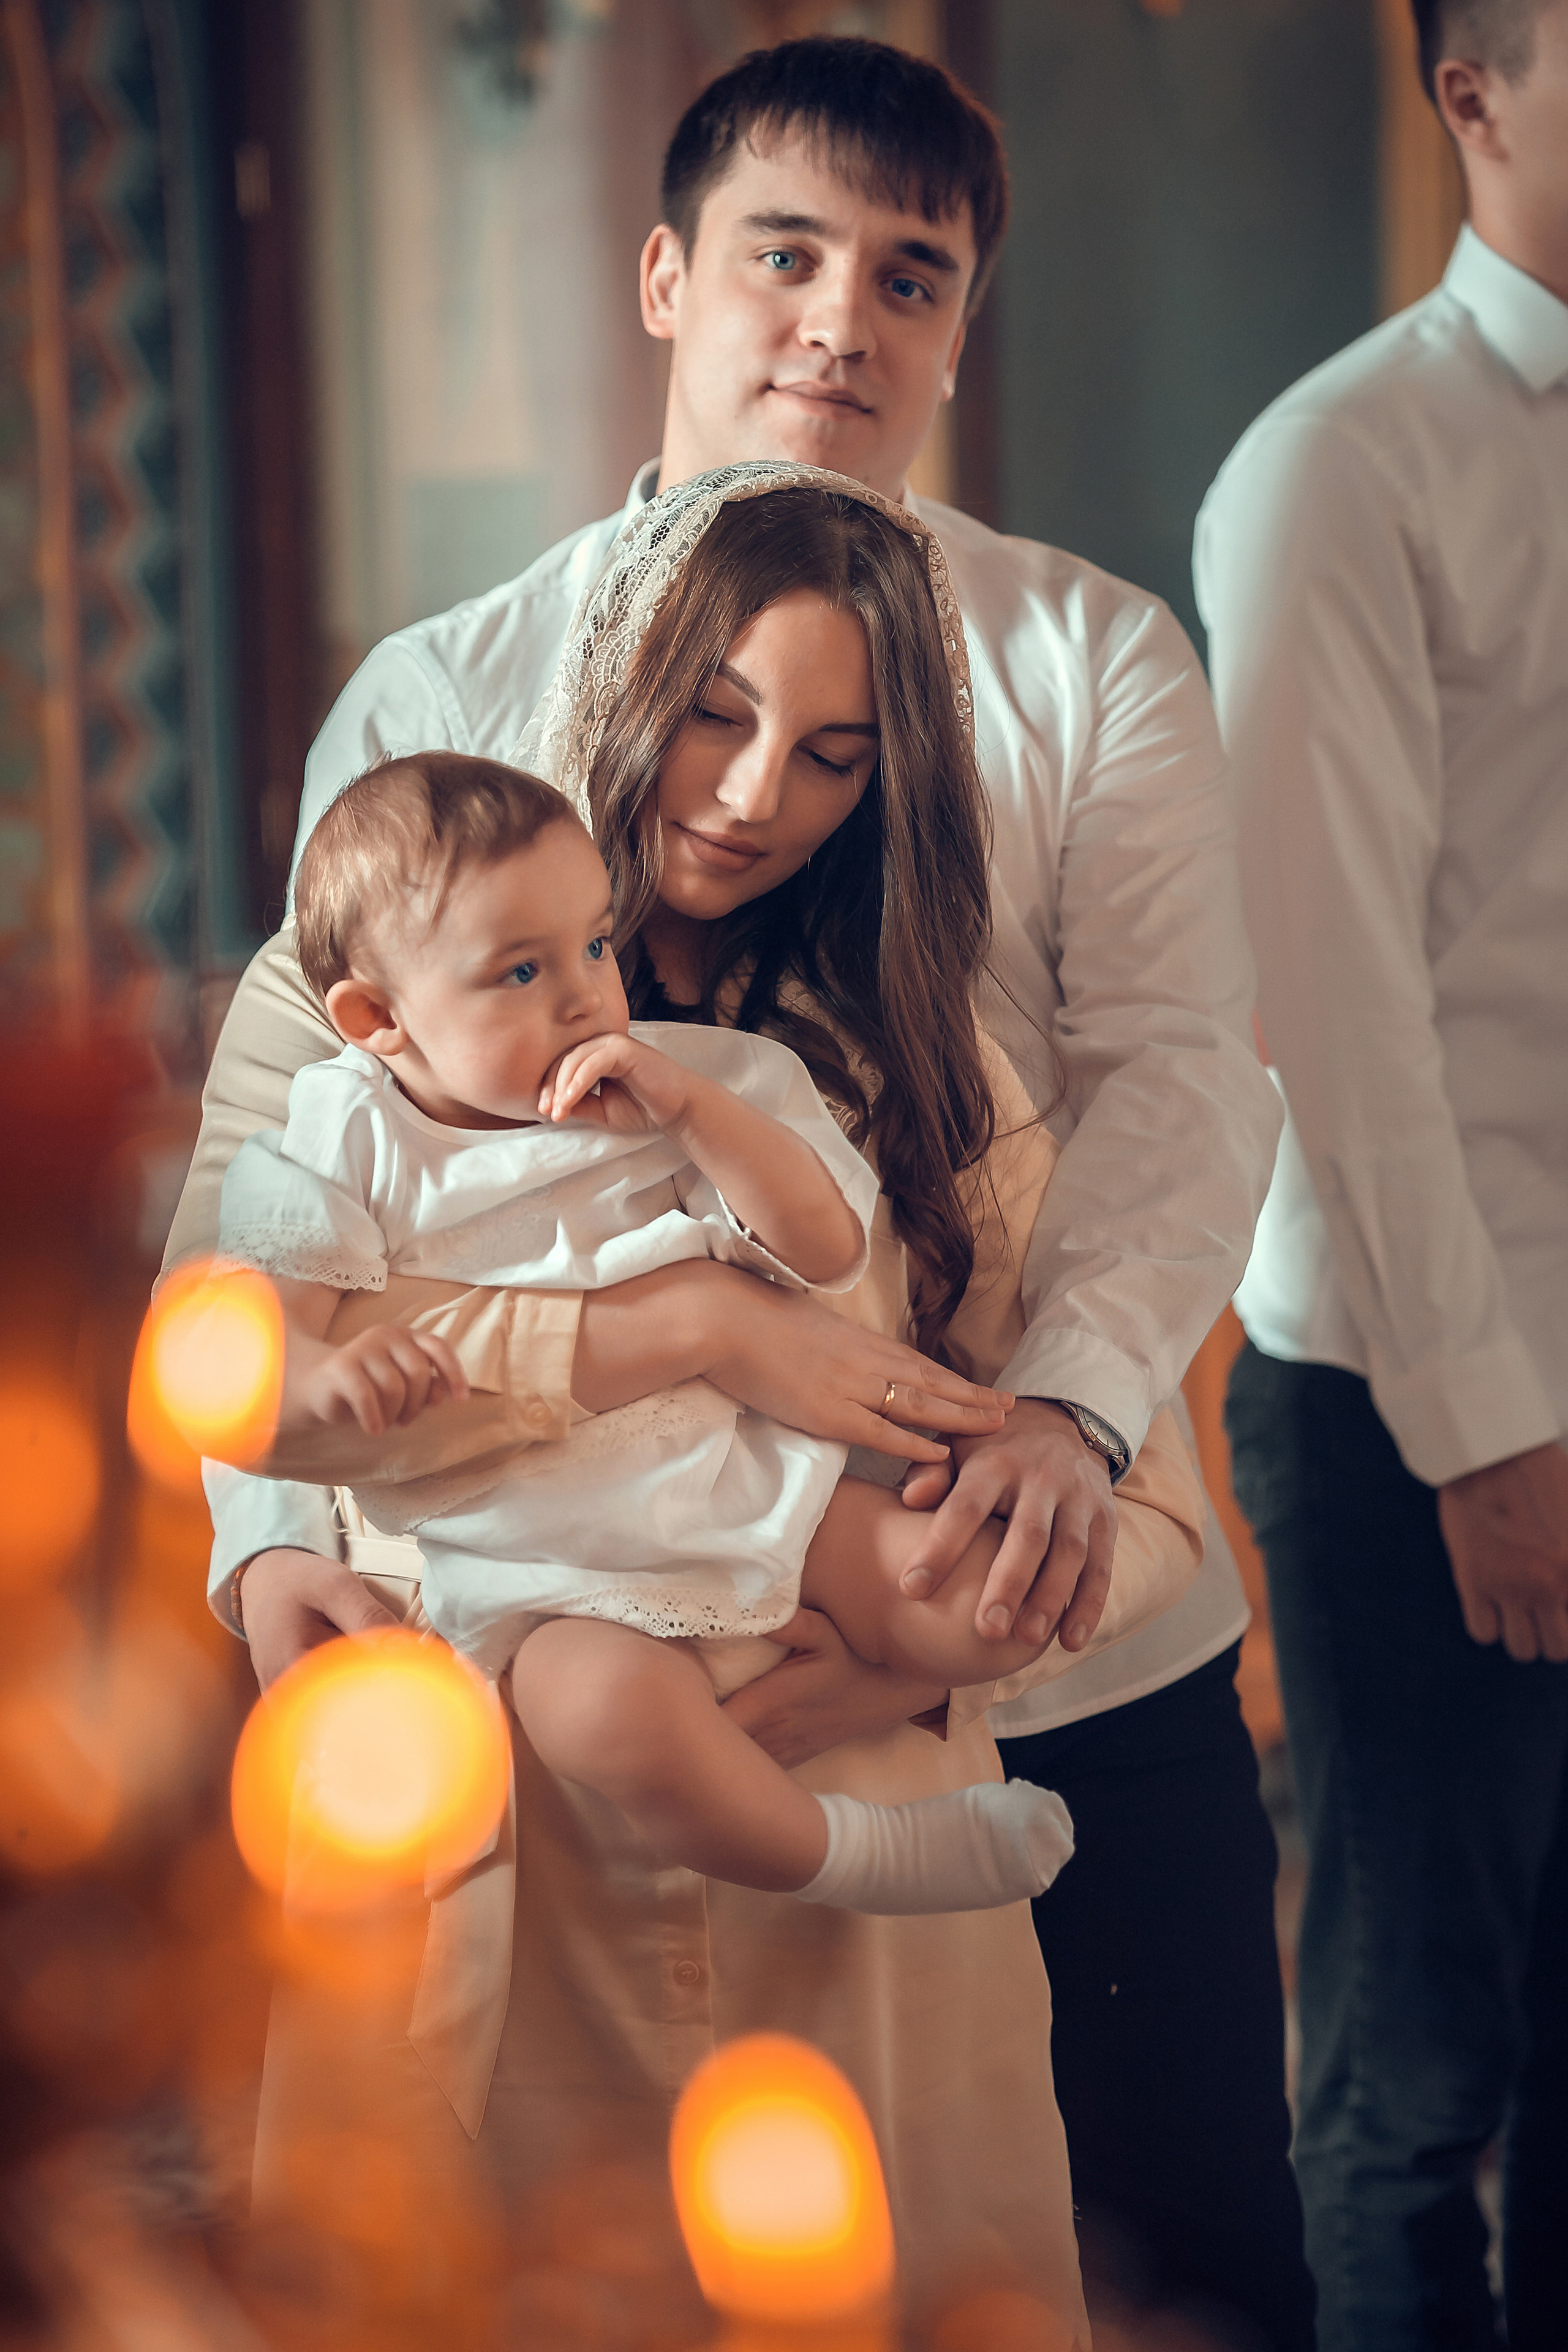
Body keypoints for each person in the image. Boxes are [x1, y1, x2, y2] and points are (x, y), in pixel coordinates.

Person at [171, 36, 1300, 2343]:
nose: (840, 322)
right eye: (787, 254)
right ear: (670, 275)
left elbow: (1183, 1087)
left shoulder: (1086, 658)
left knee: (1170, 2240)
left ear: (960, 322)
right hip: (534, 1617)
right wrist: (280, 1562)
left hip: (997, 1579)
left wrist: (1053, 1452)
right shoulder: (434, 692)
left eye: (910, 275)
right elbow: (269, 1169)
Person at [224, 741, 1080, 1912]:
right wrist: (335, 1379)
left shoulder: (677, 1080)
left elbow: (825, 1250)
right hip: (542, 1564)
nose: (585, 994)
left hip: (746, 1477)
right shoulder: (341, 1143)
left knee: (978, 1601)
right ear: (379, 1018)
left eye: (590, 945)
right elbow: (259, 1353)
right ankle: (863, 1860)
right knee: (608, 1717)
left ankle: (888, 1709)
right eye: (519, 973)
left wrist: (694, 1114)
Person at [1194, 3, 1568, 2343]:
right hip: (1426, 1411)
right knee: (1420, 2086)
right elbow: (1337, 1008)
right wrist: (1493, 1428)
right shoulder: (1339, 469)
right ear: (1477, 94)